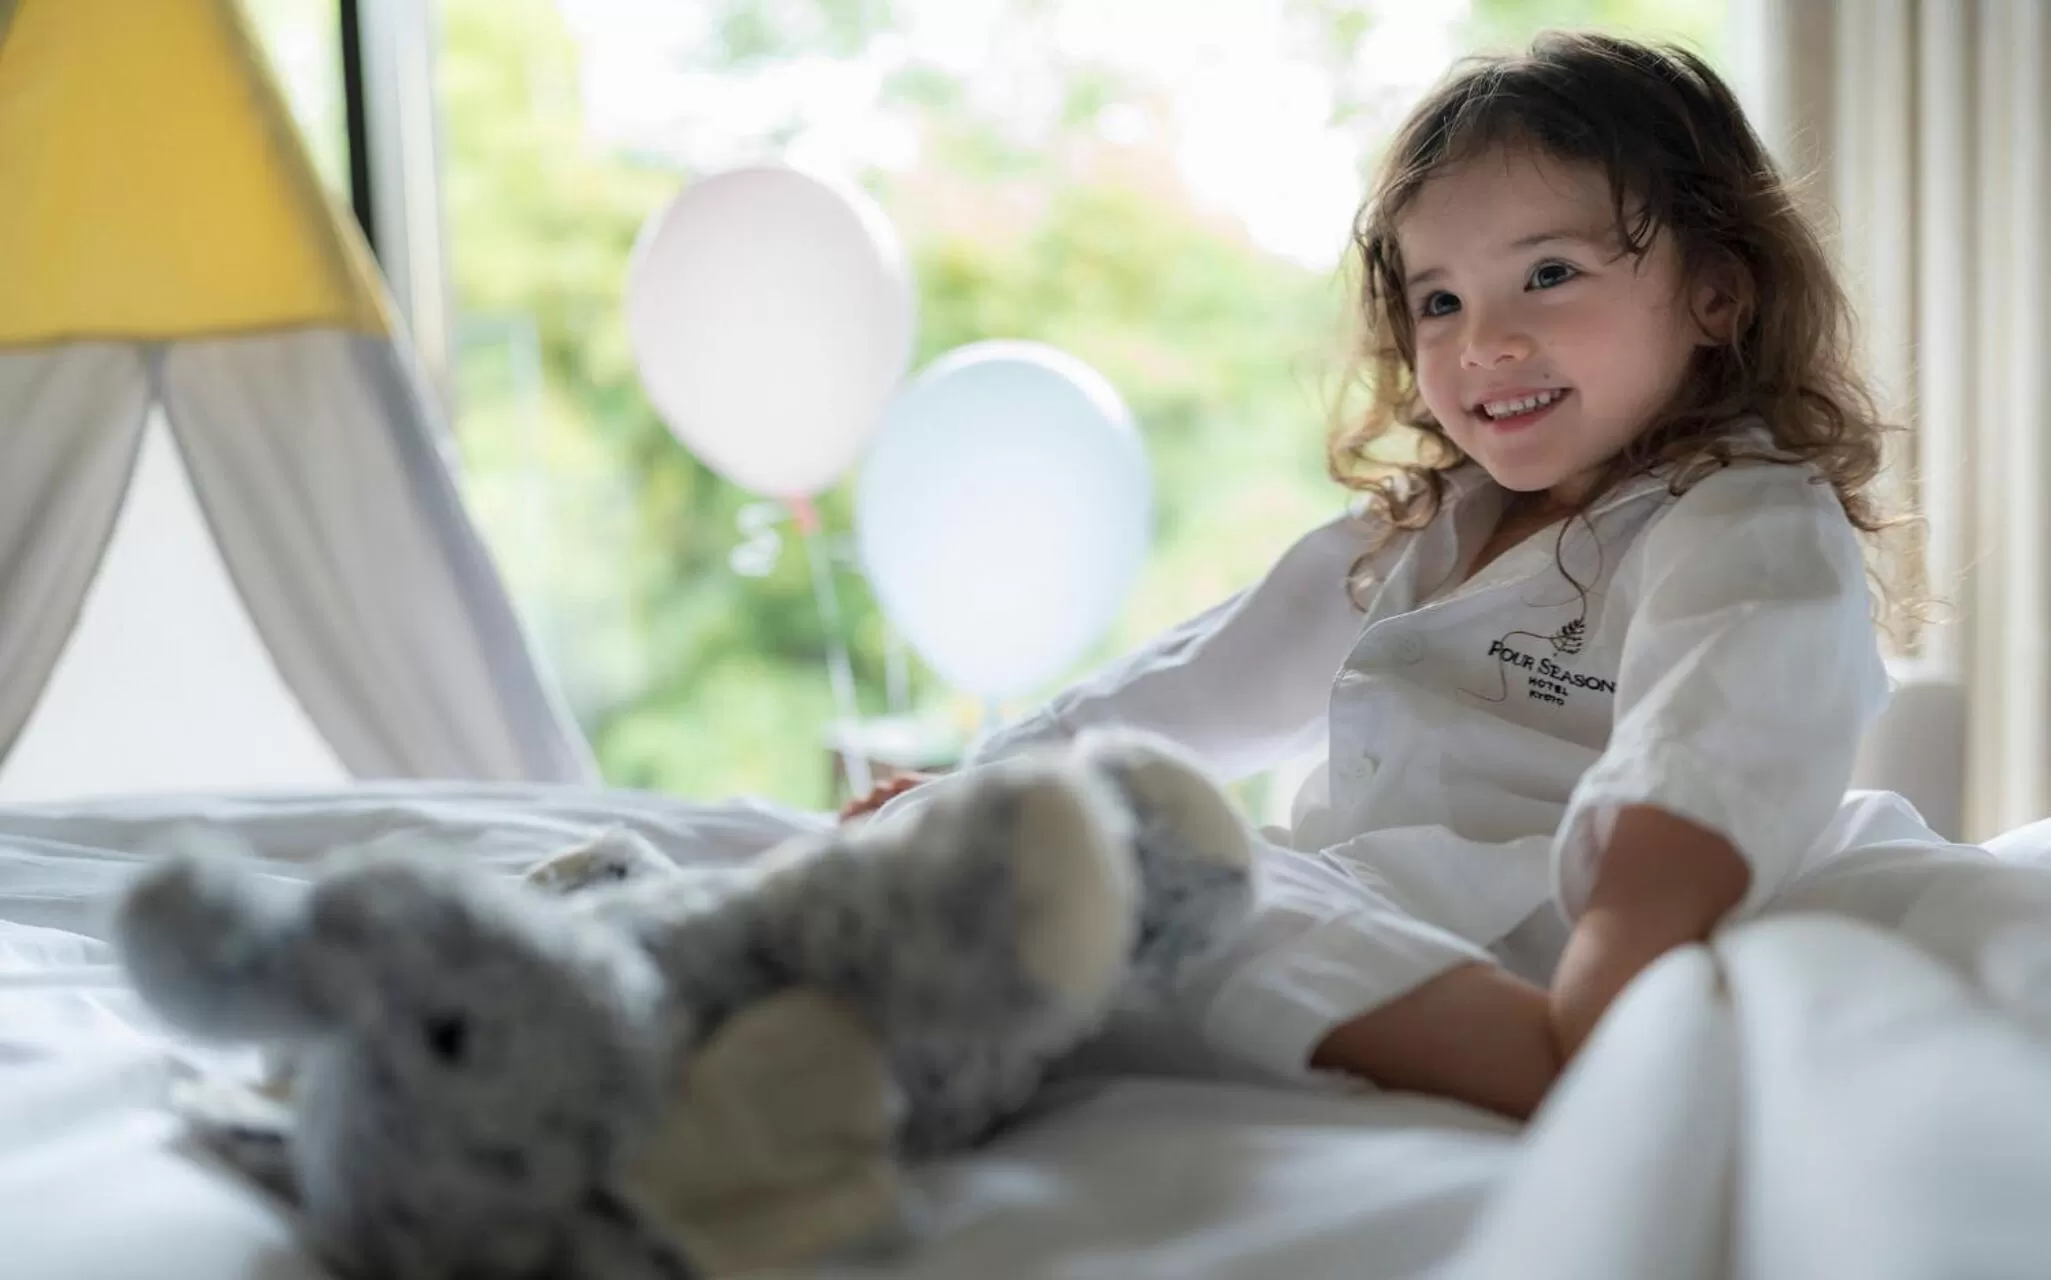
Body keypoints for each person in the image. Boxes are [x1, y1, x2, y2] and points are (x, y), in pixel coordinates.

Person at [841, 32, 2014, 1122]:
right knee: (1119, 852)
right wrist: (983, 785)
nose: (1481, 341)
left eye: (1547, 273)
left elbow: (1716, 744)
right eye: (1437, 300)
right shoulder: (1419, 525)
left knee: (1171, 875)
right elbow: (1198, 685)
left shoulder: (1740, 510)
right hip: (1376, 905)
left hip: (1563, 939)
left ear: (1716, 289)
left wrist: (1616, 969)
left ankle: (1541, 1063)